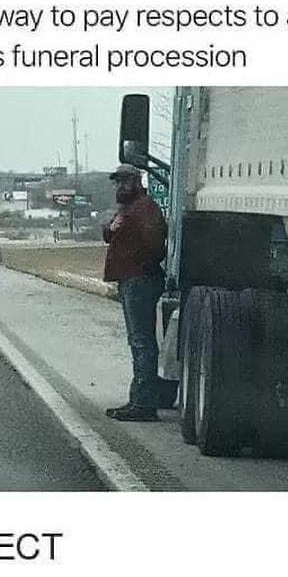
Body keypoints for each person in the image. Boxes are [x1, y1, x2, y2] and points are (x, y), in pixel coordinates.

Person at [103, 164, 177, 422]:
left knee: (142, 342)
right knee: (139, 341)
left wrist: (140, 266)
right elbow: (108, 233)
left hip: (140, 281)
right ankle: (139, 399)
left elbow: (155, 244)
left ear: (136, 182)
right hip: (131, 280)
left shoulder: (144, 208)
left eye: (124, 182)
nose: (119, 187)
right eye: (117, 182)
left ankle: (144, 403)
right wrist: (113, 227)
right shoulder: (129, 209)